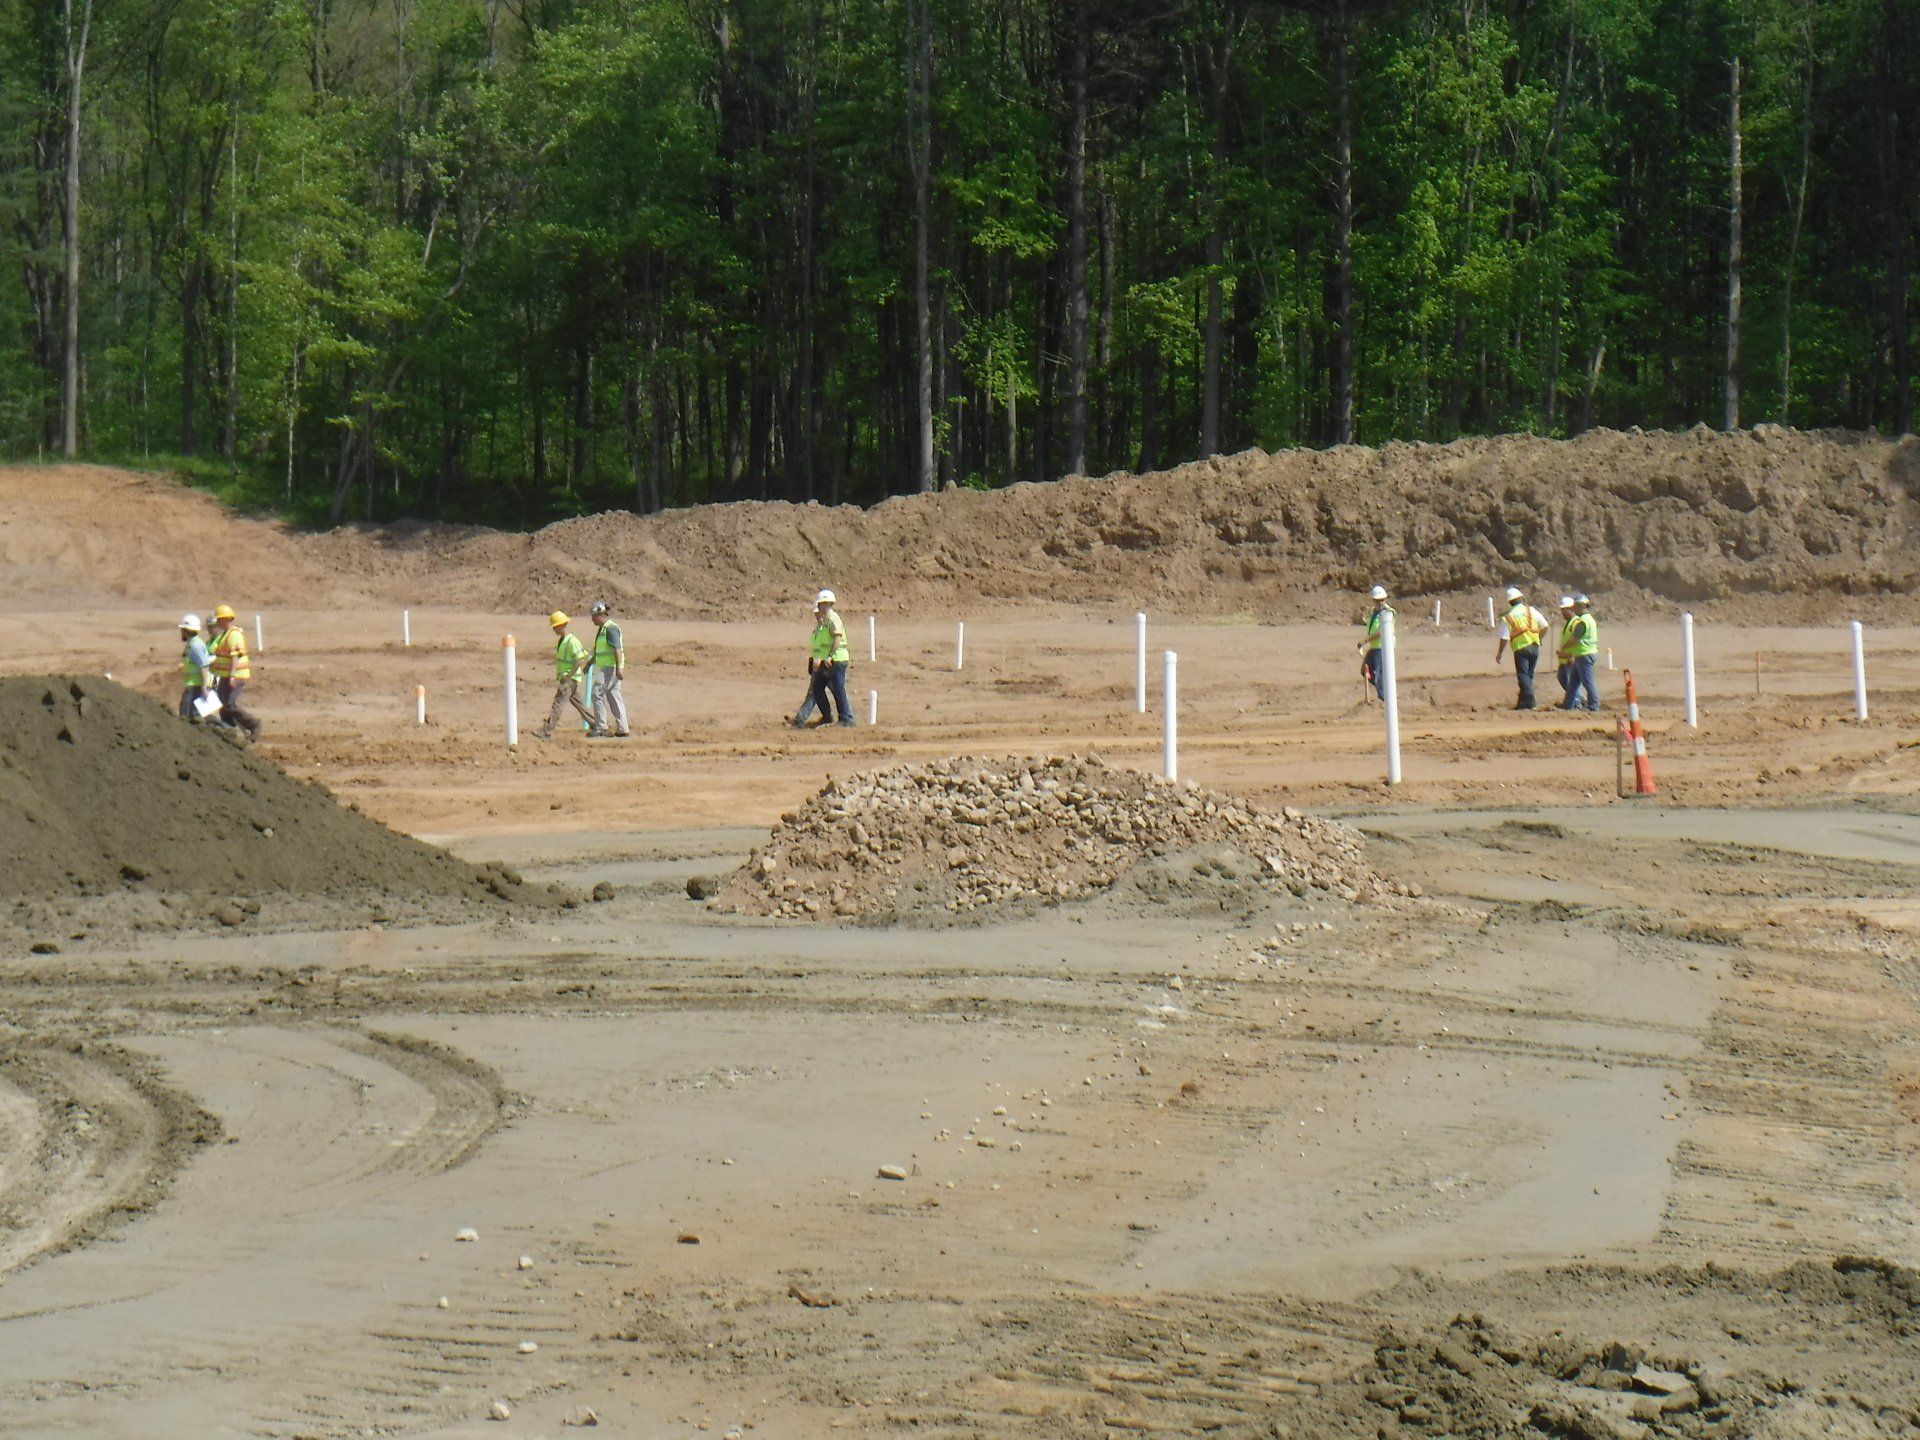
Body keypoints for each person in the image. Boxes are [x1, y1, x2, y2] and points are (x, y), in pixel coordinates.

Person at [533, 610, 596, 739]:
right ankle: (596, 724)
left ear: (562, 625)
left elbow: (580, 659)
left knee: (558, 704)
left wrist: (568, 676)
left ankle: (547, 730)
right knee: (580, 705)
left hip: (569, 679)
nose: (554, 629)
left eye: (556, 626)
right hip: (567, 678)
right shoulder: (563, 640)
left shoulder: (571, 641)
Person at [207, 605, 261, 743]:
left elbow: (235, 657)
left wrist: (232, 676)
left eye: (219, 619)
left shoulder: (234, 635)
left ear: (226, 619)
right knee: (223, 704)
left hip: (236, 676)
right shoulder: (225, 635)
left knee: (229, 704)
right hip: (224, 676)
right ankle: (229, 730)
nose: (217, 622)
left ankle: (253, 725)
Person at [1494, 585, 1547, 711]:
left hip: (1521, 648)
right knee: (1528, 676)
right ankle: (1522, 703)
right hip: (1534, 646)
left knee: (1523, 676)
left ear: (1509, 602)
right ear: (1521, 598)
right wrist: (1539, 638)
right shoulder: (1531, 611)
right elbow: (1545, 625)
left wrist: (1499, 653)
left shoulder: (1509, 617)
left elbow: (1504, 637)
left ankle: (1531, 703)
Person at [806, 589, 853, 728]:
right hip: (830, 660)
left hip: (837, 660)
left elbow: (837, 638)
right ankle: (827, 717)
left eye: (821, 604)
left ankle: (846, 719)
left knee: (838, 689)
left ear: (826, 604)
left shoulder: (833, 619)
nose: (819, 608)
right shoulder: (825, 621)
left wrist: (830, 656)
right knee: (818, 687)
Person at [587, 600, 629, 738]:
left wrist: (619, 668)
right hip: (609, 667)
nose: (592, 619)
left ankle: (601, 727)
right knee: (614, 696)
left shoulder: (610, 628)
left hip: (610, 668)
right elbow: (600, 651)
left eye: (594, 616)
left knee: (596, 693)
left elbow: (617, 649)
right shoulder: (603, 629)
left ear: (601, 615)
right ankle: (623, 728)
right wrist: (589, 664)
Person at [1563, 595, 1602, 712]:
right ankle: (1568, 705)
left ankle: (1594, 706)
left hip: (1584, 654)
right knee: (1573, 683)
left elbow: (1575, 638)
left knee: (1587, 682)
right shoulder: (1590, 619)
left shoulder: (1583, 622)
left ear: (1580, 606)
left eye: (1574, 606)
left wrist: (1564, 648)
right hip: (1583, 654)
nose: (1573, 609)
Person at [177, 614, 215, 720]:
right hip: (194, 685)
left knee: (189, 716)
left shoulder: (195, 646)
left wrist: (203, 688)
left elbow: (204, 667)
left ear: (186, 630)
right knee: (192, 716)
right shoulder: (192, 643)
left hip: (196, 687)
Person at [1357, 585, 1392, 701]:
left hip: (1383, 647)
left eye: (1382, 600)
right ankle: (1384, 693)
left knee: (1379, 676)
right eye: (1378, 600)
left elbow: (1382, 631)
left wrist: (1365, 641)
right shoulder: (1373, 613)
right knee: (1365, 671)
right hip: (1374, 647)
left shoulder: (1388, 613)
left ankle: (1384, 700)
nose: (1380, 602)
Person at [1553, 596, 1579, 708]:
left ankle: (1576, 701)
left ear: (1571, 609)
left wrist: (1572, 655)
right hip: (1564, 658)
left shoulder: (1576, 622)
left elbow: (1576, 640)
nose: (1562, 613)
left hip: (1570, 658)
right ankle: (1577, 699)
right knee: (1562, 678)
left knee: (1570, 682)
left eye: (1564, 610)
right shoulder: (1568, 623)